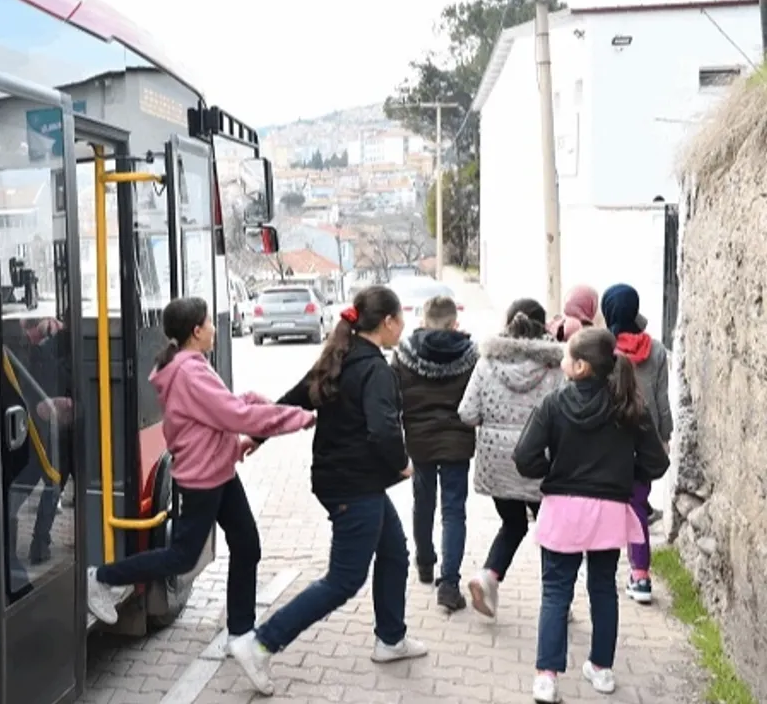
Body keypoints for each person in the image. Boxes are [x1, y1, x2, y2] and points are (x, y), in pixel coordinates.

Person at [229, 286, 427, 697]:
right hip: (354, 486)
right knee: (344, 580)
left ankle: (391, 638)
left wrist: (257, 437)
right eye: (400, 320)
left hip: (346, 481)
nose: (403, 327)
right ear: (387, 322)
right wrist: (402, 463)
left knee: (394, 551)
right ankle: (261, 643)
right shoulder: (374, 369)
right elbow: (383, 430)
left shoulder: (339, 356)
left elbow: (291, 400)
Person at [85, 297, 315, 649]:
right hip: (203, 479)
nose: (213, 328)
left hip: (219, 471)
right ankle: (102, 578)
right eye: (208, 323)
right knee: (183, 556)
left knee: (246, 544)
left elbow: (217, 411)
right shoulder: (189, 372)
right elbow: (235, 417)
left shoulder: (190, 364)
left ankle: (240, 632)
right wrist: (299, 417)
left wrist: (249, 401)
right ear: (196, 331)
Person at [513, 327, 670, 703]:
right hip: (609, 512)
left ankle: (546, 677)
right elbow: (657, 462)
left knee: (555, 591)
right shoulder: (629, 406)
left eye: (567, 356)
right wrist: (624, 477)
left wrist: (552, 471)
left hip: (563, 509)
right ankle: (601, 669)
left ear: (581, 366)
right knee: (603, 588)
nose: (562, 361)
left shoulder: (553, 404)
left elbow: (524, 457)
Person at [458, 299, 564, 618]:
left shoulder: (487, 363)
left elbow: (467, 413)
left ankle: (488, 576)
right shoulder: (554, 367)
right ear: (544, 326)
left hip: (496, 461)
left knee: (513, 523)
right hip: (540, 461)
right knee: (551, 530)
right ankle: (556, 600)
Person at [390, 295, 478, 611]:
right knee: (454, 511)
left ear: (423, 321)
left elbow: (394, 398)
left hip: (420, 441)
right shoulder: (471, 355)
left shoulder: (403, 354)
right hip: (457, 442)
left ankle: (425, 563)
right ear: (455, 323)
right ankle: (449, 584)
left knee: (423, 502)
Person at [600, 284, 672, 604]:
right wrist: (664, 438)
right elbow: (662, 401)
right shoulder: (655, 350)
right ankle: (641, 576)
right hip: (643, 439)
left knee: (603, 504)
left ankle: (599, 568)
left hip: (607, 440)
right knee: (637, 507)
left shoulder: (602, 348)